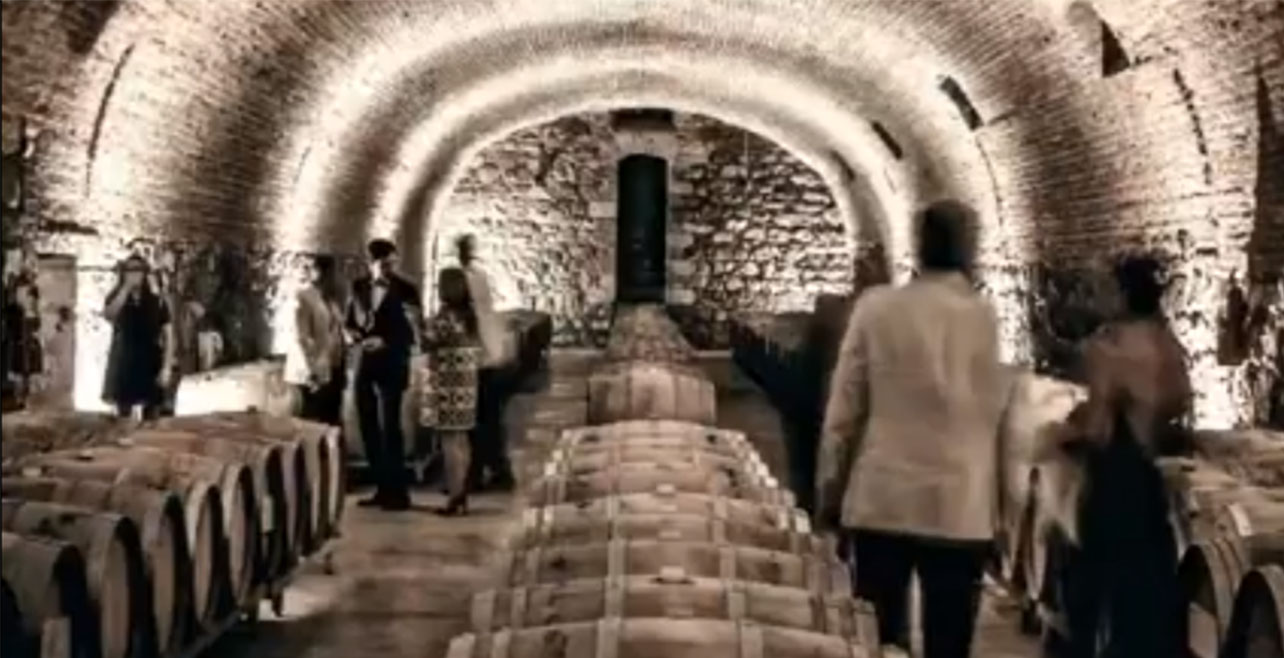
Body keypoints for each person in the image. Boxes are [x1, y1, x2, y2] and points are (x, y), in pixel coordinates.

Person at [815, 200, 1007, 658]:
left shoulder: (877, 308)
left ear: (920, 247)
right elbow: (994, 418)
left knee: (878, 642)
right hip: (959, 506)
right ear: (968, 249)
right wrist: (1001, 512)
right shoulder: (982, 316)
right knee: (949, 645)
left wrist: (830, 489)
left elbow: (845, 408)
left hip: (884, 498)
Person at [1047, 255, 1189, 658]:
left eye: (1109, 288)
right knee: (1143, 599)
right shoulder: (1168, 346)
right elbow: (1177, 404)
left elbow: (1098, 428)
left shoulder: (1109, 348)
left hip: (1114, 485)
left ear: (1124, 293)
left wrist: (1061, 433)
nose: (1104, 296)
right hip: (1149, 485)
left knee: (1088, 594)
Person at [345, 239, 422, 511]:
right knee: (367, 425)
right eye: (385, 264)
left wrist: (385, 342)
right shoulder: (358, 287)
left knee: (391, 427)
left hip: (393, 362)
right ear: (371, 263)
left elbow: (412, 333)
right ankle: (381, 486)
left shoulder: (407, 290)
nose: (391, 269)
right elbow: (350, 322)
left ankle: (398, 493)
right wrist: (352, 335)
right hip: (366, 363)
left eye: (393, 263)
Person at [457, 234, 516, 491]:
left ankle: (479, 474)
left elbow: (471, 316)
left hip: (480, 357)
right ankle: (496, 471)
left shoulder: (466, 278)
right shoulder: (478, 275)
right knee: (488, 419)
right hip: (490, 353)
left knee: (479, 420)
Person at [423, 267, 482, 516]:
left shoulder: (446, 316)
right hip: (466, 384)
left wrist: (419, 323)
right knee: (462, 439)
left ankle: (455, 495)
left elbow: (428, 341)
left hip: (448, 385)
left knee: (449, 442)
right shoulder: (469, 315)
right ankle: (463, 493)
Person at [102, 254, 175, 420]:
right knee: (123, 415)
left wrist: (166, 367)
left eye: (138, 270)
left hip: (150, 360)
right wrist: (125, 289)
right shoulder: (116, 297)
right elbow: (109, 315)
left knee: (152, 415)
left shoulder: (157, 302)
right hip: (123, 361)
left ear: (144, 274)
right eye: (129, 270)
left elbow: (168, 335)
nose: (134, 274)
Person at [285, 255, 346, 426]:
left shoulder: (329, 300)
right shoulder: (302, 296)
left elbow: (335, 331)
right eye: (326, 272)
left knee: (330, 419)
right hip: (311, 371)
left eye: (333, 272)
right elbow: (301, 336)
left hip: (331, 367)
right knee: (311, 420)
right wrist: (311, 369)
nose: (332, 277)